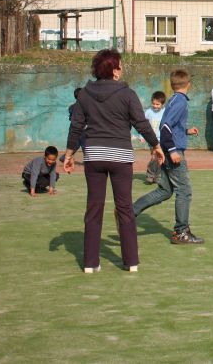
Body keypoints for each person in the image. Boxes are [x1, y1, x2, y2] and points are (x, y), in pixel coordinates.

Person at [64, 49, 164, 273]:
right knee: (125, 208)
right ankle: (131, 262)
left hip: (94, 156)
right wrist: (156, 146)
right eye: (120, 65)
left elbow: (76, 126)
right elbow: (141, 123)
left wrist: (69, 154)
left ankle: (90, 263)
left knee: (94, 208)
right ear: (114, 70)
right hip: (120, 156)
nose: (122, 69)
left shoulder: (85, 95)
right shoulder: (128, 94)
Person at [134, 69, 204, 245]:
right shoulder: (180, 101)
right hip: (173, 151)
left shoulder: (173, 100)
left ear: (173, 85)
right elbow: (165, 127)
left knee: (165, 191)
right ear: (188, 85)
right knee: (184, 190)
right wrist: (172, 150)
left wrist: (185, 131)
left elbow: (171, 126)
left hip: (166, 149)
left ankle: (128, 212)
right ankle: (181, 232)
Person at [144, 91, 166, 184]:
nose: (155, 106)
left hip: (162, 139)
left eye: (158, 104)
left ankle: (157, 175)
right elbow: (144, 125)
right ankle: (150, 175)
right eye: (153, 104)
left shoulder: (165, 112)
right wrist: (142, 135)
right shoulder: (148, 112)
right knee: (154, 156)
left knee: (159, 157)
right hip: (152, 139)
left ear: (162, 104)